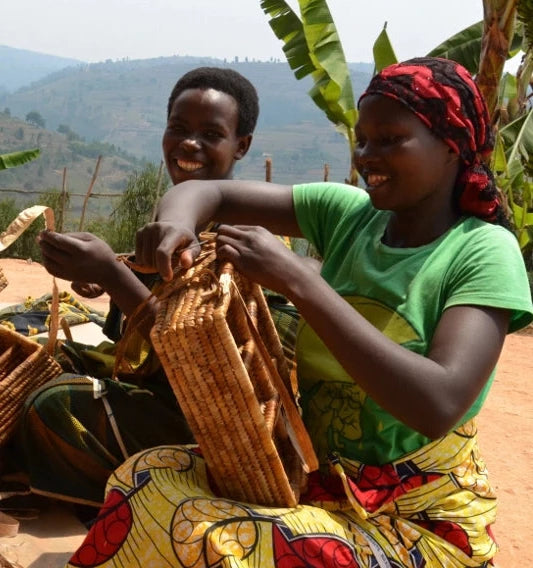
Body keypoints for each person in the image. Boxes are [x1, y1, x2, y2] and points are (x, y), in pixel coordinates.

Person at [58, 57, 532, 568]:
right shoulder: (351, 215)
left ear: (450, 145)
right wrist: (179, 226)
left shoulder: (483, 251)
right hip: (318, 484)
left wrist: (302, 281)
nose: (367, 156)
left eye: (390, 139)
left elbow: (438, 403)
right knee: (145, 478)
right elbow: (204, 192)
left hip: (414, 520)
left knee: (233, 537)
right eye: (363, 140)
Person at [15, 66, 272, 508]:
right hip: (153, 386)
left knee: (54, 403)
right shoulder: (174, 219)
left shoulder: (246, 242)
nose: (189, 145)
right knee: (33, 350)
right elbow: (133, 331)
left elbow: (206, 366)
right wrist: (110, 278)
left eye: (211, 134)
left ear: (241, 145)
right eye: (178, 128)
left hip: (203, 422)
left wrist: (118, 279)